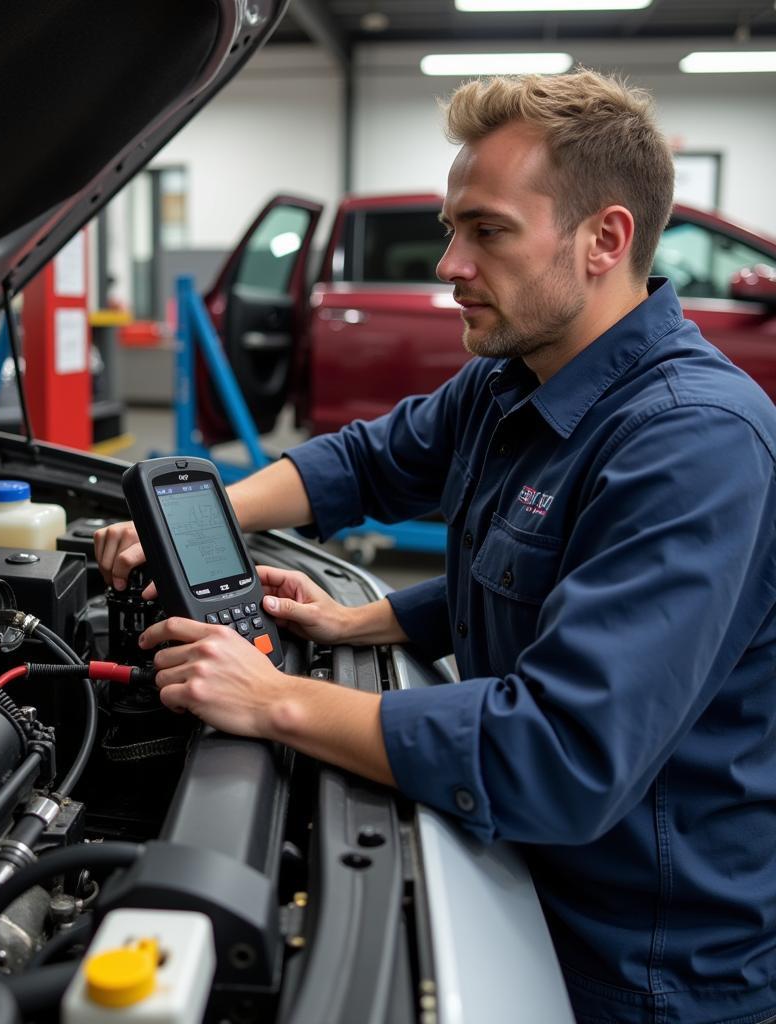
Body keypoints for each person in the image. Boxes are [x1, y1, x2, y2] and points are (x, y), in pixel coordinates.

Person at [95, 70, 776, 1024]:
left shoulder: (693, 443)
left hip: (646, 965)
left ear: (604, 241)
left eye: (487, 230)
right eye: (453, 227)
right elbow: (373, 462)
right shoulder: (519, 376)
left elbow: (558, 756)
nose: (449, 263)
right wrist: (236, 538)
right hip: (533, 883)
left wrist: (278, 699)